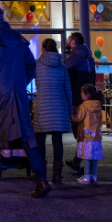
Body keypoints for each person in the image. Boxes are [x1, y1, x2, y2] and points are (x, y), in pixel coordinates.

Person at [0, 6, 50, 198]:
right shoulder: (19, 40)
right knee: (26, 135)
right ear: (3, 18)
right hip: (17, 93)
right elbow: (31, 66)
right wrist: (20, 83)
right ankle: (41, 180)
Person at [33, 38, 72, 185]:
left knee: (40, 141)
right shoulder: (61, 67)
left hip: (43, 107)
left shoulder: (37, 65)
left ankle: (42, 176)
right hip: (59, 108)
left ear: (42, 48)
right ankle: (57, 176)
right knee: (57, 142)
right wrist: (69, 111)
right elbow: (67, 89)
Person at [63, 32, 96, 175]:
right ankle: (78, 160)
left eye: (68, 39)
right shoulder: (90, 59)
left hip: (76, 101)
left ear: (73, 42)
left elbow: (68, 83)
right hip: (90, 101)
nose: (67, 41)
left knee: (80, 133)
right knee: (86, 132)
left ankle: (84, 163)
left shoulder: (71, 60)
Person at [71, 84, 103, 184]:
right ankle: (94, 176)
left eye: (82, 93)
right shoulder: (98, 105)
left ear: (87, 94)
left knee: (86, 156)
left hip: (86, 136)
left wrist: (72, 117)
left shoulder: (84, 105)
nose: (81, 94)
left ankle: (86, 177)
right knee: (94, 157)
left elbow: (79, 118)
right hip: (96, 136)